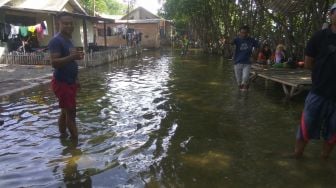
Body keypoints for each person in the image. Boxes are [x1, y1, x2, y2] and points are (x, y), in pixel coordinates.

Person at [294, 3, 336, 159]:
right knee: (306, 126)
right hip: (318, 91)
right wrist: (321, 77)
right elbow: (308, 62)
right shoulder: (320, 36)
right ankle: (297, 155)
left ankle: (324, 160)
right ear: (331, 15)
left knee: (333, 133)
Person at [49, 12, 84, 140]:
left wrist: (76, 79)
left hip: (69, 82)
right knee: (71, 114)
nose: (69, 26)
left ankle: (63, 136)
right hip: (62, 83)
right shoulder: (56, 40)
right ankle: (76, 146)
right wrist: (72, 57)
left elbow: (71, 62)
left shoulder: (68, 40)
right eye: (65, 23)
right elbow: (54, 63)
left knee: (65, 112)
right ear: (59, 24)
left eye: (71, 23)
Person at [232, 25, 259, 91]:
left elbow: (258, 47)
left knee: (245, 78)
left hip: (247, 63)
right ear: (239, 32)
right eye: (242, 32)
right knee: (239, 82)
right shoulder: (237, 39)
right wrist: (226, 41)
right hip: (237, 62)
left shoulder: (252, 40)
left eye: (245, 32)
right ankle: (242, 94)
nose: (243, 34)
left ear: (248, 33)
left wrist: (255, 56)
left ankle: (244, 94)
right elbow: (230, 43)